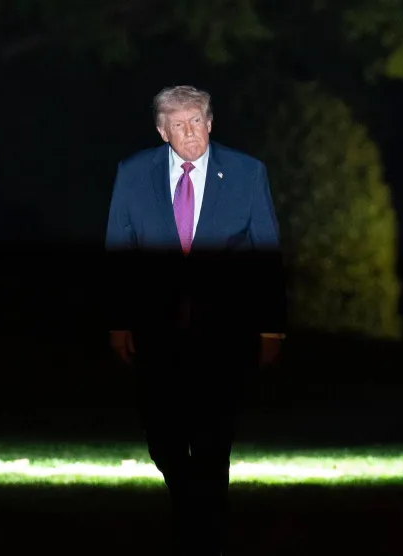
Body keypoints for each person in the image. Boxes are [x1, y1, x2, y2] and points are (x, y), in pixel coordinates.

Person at [105, 85, 286, 555]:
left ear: (210, 122)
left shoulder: (247, 173)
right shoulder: (132, 173)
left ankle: (205, 529)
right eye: (179, 125)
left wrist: (271, 326)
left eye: (197, 121)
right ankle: (193, 506)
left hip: (223, 330)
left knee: (213, 435)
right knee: (162, 436)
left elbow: (265, 252)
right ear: (162, 131)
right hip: (157, 328)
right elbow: (119, 251)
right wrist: (119, 320)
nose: (191, 133)